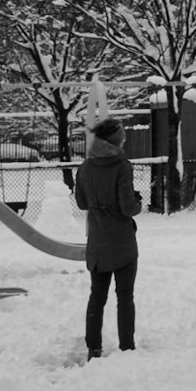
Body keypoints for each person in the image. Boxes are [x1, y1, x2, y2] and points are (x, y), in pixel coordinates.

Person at [75, 116, 141, 359]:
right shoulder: (122, 166)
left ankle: (93, 347)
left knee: (97, 297)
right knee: (125, 296)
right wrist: (138, 203)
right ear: (116, 140)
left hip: (97, 242)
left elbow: (82, 202)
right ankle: (127, 346)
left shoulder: (85, 166)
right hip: (122, 242)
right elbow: (127, 207)